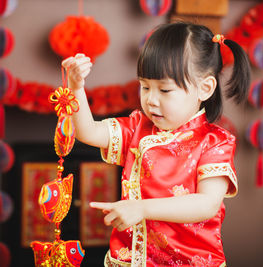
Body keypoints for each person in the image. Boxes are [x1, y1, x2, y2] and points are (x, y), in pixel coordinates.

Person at [62, 22, 250, 267]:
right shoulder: (137, 126)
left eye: (164, 89)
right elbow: (87, 132)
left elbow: (206, 204)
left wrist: (141, 208)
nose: (151, 99)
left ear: (205, 88)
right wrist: (76, 87)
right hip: (132, 259)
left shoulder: (214, 142)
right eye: (145, 86)